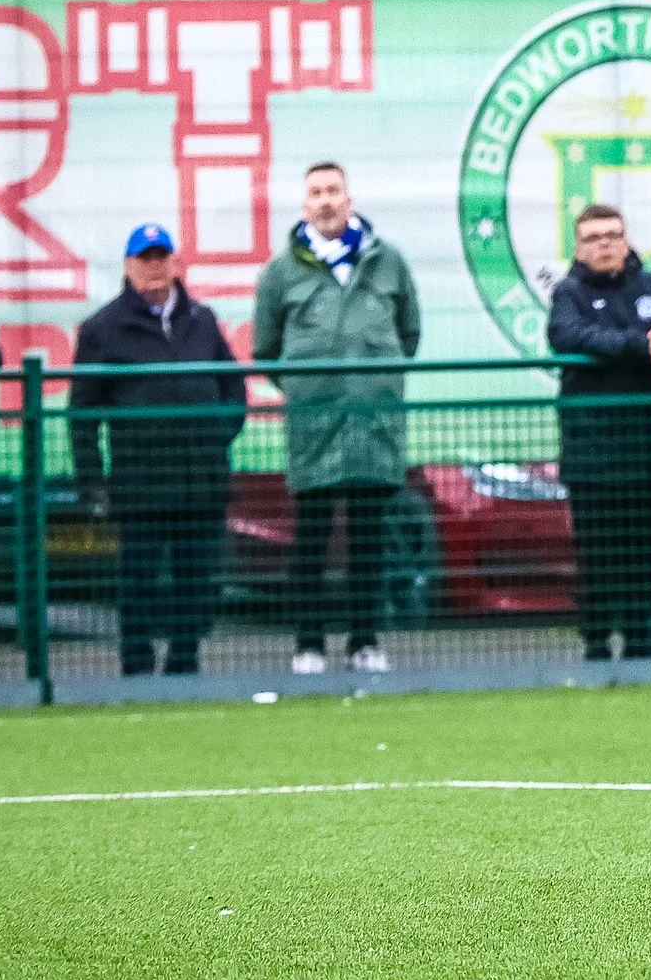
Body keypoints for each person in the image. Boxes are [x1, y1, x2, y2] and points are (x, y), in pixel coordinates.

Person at [250, 161, 421, 677]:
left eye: (333, 190)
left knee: (370, 539)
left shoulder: (388, 262)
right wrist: (309, 391)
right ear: (304, 205)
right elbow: (265, 349)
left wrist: (374, 386)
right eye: (315, 193)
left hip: (374, 424)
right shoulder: (281, 273)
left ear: (349, 198)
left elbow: (409, 334)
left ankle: (365, 643)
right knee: (312, 538)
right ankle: (308, 646)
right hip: (314, 426)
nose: (325, 201)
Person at [68, 225, 246, 677]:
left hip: (200, 478)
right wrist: (92, 481)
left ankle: (185, 665)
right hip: (140, 480)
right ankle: (136, 668)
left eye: (160, 256)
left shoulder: (202, 320)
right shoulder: (103, 328)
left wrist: (216, 434)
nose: (153, 266)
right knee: (138, 581)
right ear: (128, 266)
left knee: (196, 579)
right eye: (143, 258)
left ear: (175, 262)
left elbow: (233, 387)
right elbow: (83, 412)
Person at [547, 203, 651, 662]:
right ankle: (596, 645)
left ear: (627, 240)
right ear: (579, 247)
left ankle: (644, 644)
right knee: (597, 554)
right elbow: (570, 336)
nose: (604, 244)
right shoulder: (568, 293)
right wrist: (643, 343)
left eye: (612, 235)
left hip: (647, 448)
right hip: (590, 451)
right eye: (594, 237)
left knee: (645, 550)